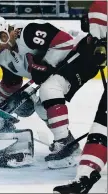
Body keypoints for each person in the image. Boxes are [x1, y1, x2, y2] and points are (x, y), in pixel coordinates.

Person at [0, 14, 106, 169]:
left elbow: (65, 41)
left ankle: (64, 144)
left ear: (4, 32)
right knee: (41, 107)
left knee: (49, 89)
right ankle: (68, 143)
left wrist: (46, 64)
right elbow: (10, 85)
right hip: (63, 69)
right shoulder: (5, 57)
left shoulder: (28, 32)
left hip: (81, 55)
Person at [53, 0, 107, 193]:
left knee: (101, 127)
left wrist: (100, 42)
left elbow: (100, 10)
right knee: (101, 128)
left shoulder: (99, 8)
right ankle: (84, 177)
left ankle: (84, 177)